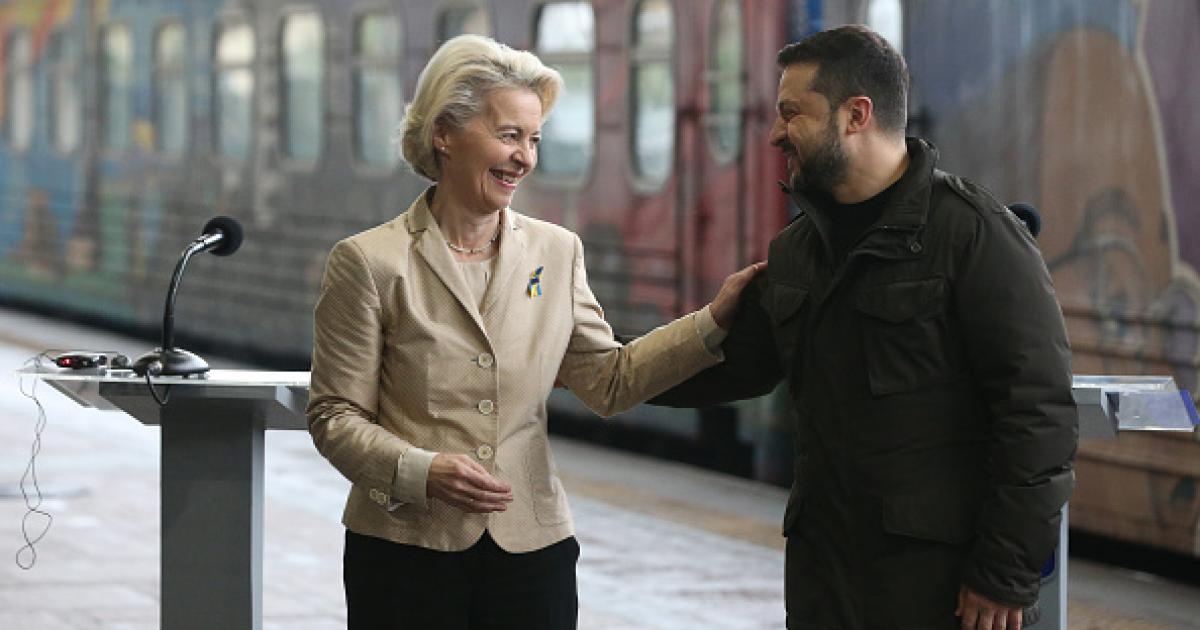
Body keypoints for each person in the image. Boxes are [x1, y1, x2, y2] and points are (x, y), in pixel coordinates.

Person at [306, 34, 760, 630]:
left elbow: (608, 380)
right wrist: (422, 470)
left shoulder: (557, 251)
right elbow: (334, 415)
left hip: (532, 553)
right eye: (509, 135)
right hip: (403, 554)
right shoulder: (369, 262)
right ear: (445, 133)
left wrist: (712, 322)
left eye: (535, 139)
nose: (525, 156)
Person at [651, 25, 1078, 630]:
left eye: (791, 114)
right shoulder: (799, 251)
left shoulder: (973, 235)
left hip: (942, 591)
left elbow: (1037, 415)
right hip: (826, 585)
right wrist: (579, 359)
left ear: (856, 115)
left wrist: (1003, 575)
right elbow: (728, 367)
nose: (774, 134)